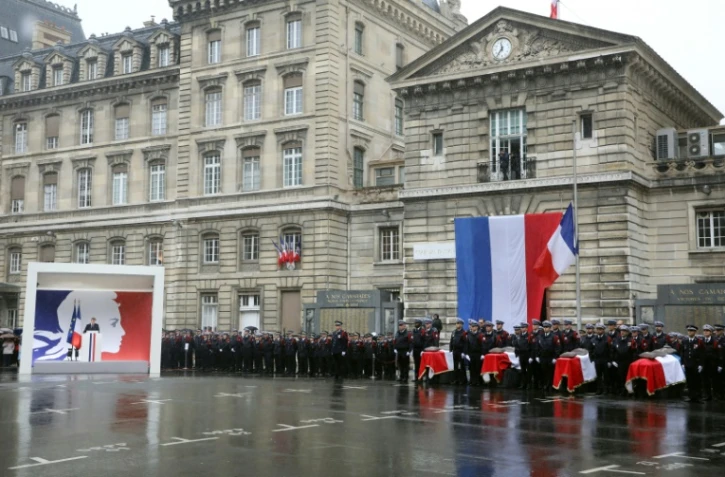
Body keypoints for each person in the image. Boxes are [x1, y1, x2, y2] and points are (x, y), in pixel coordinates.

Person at [681, 325, 704, 403]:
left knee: (697, 381)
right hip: (687, 364)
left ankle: (698, 397)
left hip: (696, 364)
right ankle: (691, 397)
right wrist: (683, 363)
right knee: (689, 381)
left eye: (691, 331)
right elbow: (683, 353)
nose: (690, 332)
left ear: (695, 332)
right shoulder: (684, 341)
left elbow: (702, 353)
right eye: (689, 331)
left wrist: (701, 364)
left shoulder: (699, 341)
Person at [449, 318, 467, 385]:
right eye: (457, 323)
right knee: (455, 366)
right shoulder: (454, 332)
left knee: (461, 366)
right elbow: (451, 342)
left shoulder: (464, 333)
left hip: (460, 351)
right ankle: (455, 379)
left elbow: (465, 343)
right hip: (455, 351)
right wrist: (450, 350)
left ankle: (462, 380)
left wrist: (464, 352)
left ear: (461, 325)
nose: (457, 325)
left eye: (459, 323)